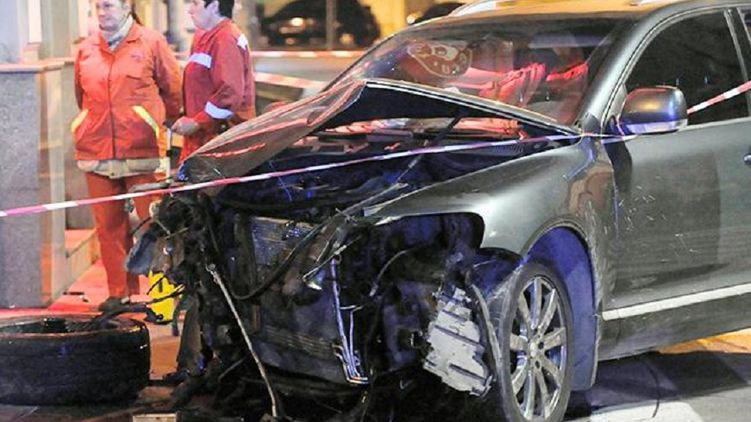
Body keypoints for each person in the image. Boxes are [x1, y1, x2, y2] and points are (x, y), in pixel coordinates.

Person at [73, 0, 182, 311]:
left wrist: (152, 123)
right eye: (97, 7)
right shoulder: (86, 49)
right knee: (109, 228)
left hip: (142, 150)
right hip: (97, 150)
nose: (102, 12)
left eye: (108, 6)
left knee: (154, 226)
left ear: (126, 6)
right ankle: (119, 293)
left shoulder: (151, 43)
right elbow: (81, 96)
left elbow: (173, 92)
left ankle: (163, 299)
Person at [171, 0, 256, 162]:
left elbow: (229, 94)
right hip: (205, 141)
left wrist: (197, 122)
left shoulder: (225, 39)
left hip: (220, 146)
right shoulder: (208, 37)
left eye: (195, 3)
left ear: (214, 6)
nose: (190, 10)